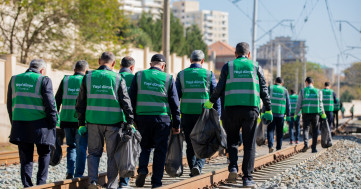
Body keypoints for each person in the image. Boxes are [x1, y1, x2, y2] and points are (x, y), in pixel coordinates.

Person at [203, 42, 272, 187]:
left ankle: (233, 167)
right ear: (249, 54)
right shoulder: (256, 66)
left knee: (232, 141)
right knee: (249, 144)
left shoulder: (228, 66)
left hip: (231, 110)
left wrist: (211, 101)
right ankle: (247, 177)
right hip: (250, 110)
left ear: (235, 54)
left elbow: (220, 87)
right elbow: (264, 89)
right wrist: (268, 108)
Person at [75, 52, 134, 189]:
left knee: (93, 153)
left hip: (93, 122)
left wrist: (81, 123)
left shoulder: (88, 77)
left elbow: (80, 102)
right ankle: (112, 185)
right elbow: (126, 102)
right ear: (113, 64)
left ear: (99, 61)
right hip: (113, 123)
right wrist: (130, 121)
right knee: (112, 155)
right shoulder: (118, 78)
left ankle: (93, 182)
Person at [129, 54, 181, 188]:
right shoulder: (168, 78)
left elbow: (131, 98)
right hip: (162, 119)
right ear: (163, 66)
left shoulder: (139, 75)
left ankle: (142, 170)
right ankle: (156, 182)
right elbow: (174, 103)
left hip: (142, 118)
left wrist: (133, 119)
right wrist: (177, 123)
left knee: (144, 147)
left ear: (151, 64)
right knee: (160, 150)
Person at [7, 59, 58, 187]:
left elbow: (9, 104)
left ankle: (27, 185)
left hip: (20, 124)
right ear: (42, 70)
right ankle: (41, 184)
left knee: (26, 158)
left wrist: (14, 123)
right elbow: (50, 105)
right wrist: (53, 123)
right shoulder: (43, 80)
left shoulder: (14, 79)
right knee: (44, 154)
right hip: (41, 126)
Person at [175, 50, 221, 177]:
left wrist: (175, 115)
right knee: (204, 141)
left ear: (190, 60)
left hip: (187, 113)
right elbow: (215, 95)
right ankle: (198, 165)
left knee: (190, 144)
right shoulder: (208, 74)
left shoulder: (182, 74)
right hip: (203, 115)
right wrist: (218, 115)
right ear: (202, 61)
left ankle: (192, 168)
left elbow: (175, 96)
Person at [55, 60, 89, 179]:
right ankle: (78, 174)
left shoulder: (66, 80)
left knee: (71, 147)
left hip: (66, 120)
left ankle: (69, 172)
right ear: (86, 71)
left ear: (74, 70)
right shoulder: (86, 80)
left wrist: (56, 118)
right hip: (81, 122)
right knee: (82, 148)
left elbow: (57, 100)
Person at [294, 77, 326, 153]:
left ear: (306, 82)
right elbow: (321, 103)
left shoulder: (302, 91)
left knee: (306, 129)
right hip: (316, 114)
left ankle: (306, 144)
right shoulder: (318, 91)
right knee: (315, 130)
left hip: (306, 113)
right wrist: (323, 113)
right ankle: (314, 148)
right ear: (313, 83)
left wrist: (296, 113)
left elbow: (299, 104)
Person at [117, 56, 136, 187]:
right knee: (128, 150)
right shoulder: (135, 78)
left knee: (114, 151)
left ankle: (114, 180)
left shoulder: (114, 77)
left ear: (119, 65)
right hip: (130, 119)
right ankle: (124, 182)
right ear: (132, 67)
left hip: (114, 118)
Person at [266, 77, 290, 152]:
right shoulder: (285, 90)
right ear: (282, 83)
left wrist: (264, 111)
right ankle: (279, 147)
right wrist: (288, 115)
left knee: (270, 130)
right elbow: (288, 104)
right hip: (281, 114)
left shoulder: (270, 88)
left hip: (271, 113)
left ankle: (270, 145)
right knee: (279, 131)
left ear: (275, 81)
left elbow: (265, 99)